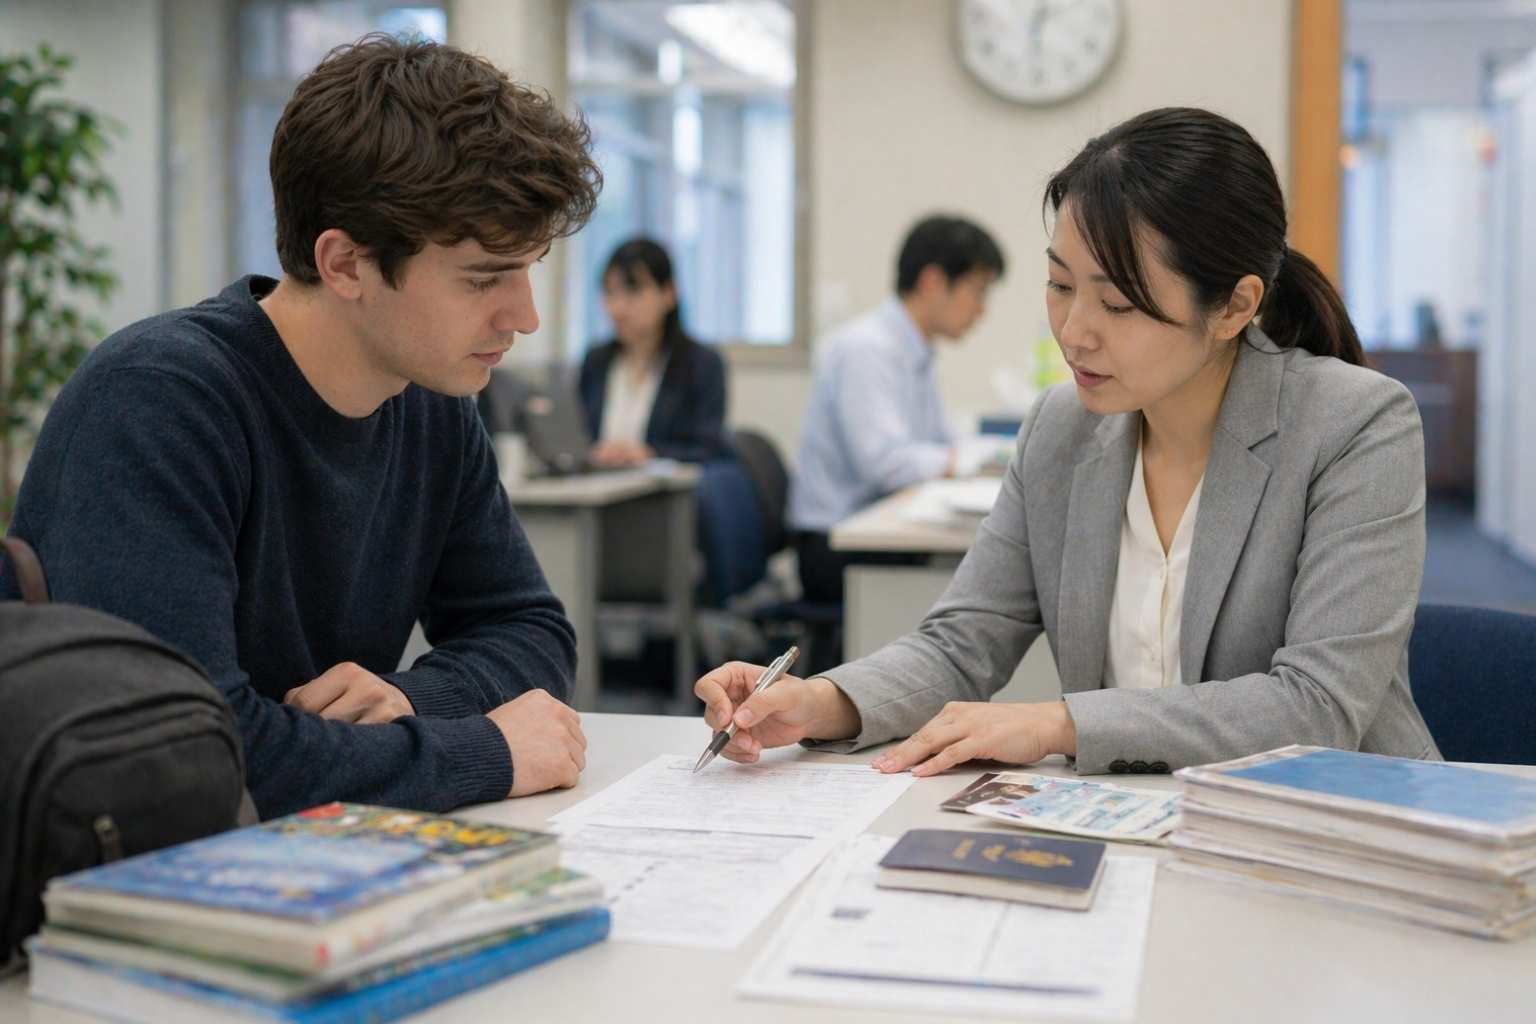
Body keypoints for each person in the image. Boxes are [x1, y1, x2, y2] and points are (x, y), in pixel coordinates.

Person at [695, 107, 1442, 777]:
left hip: (1332, 836)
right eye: (1060, 285)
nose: (1074, 331)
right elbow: (963, 641)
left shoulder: (1356, 425)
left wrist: (1058, 723)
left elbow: (1315, 706)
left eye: (1117, 302)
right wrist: (821, 701)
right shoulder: (1063, 427)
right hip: (1137, 823)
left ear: (1234, 307)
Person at [3, 35, 603, 818]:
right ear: (346, 264)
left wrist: (407, 700)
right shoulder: (157, 403)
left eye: (527, 272)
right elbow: (184, 751)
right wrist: (483, 752)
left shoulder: (430, 400)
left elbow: (530, 631)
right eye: (484, 278)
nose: (523, 317)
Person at [788, 214, 1006, 604]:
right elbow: (884, 463)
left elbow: (940, 441)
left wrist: (970, 455)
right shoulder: (867, 350)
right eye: (977, 291)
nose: (981, 310)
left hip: (867, 532)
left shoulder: (915, 350)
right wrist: (963, 460)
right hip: (834, 547)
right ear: (933, 282)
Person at [577, 238, 729, 467]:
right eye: (610, 292)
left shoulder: (701, 363)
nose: (617, 308)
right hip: (597, 489)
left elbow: (709, 449)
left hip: (665, 496)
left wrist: (650, 454)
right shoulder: (596, 359)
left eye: (632, 292)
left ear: (668, 294)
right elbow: (577, 436)